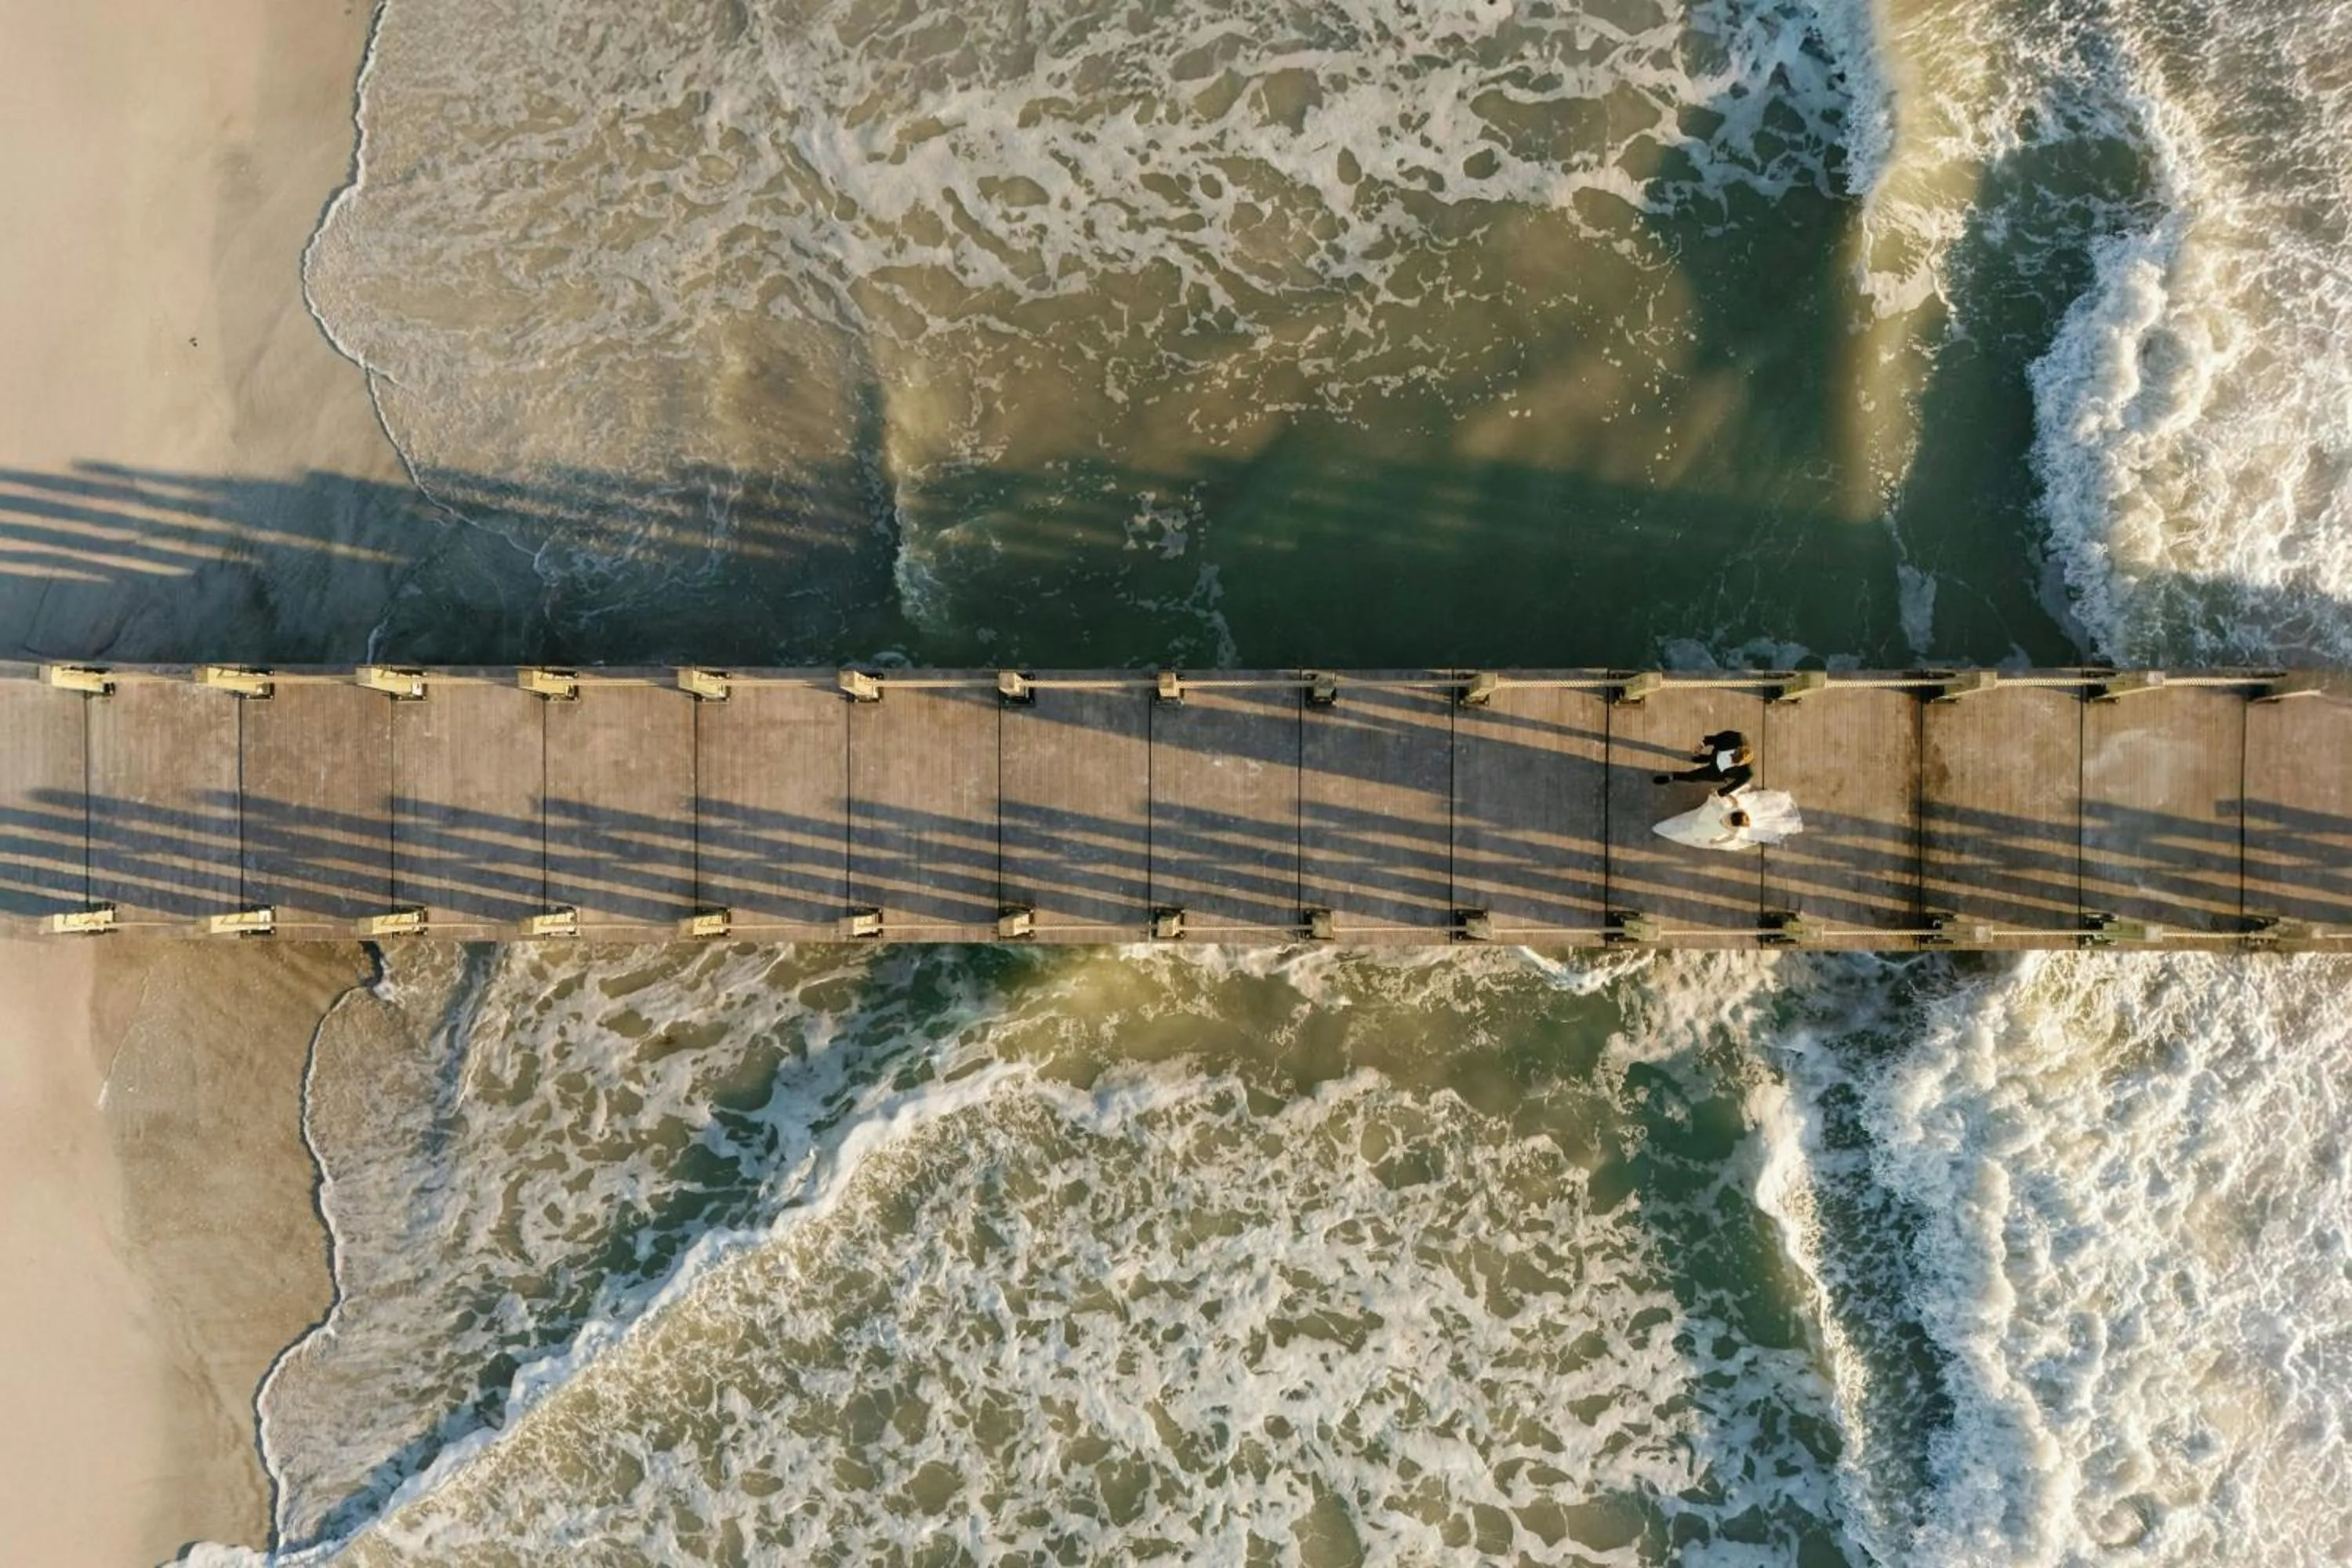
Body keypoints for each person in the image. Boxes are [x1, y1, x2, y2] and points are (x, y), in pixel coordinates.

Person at [1651, 788, 1804, 851]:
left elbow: (1732, 801)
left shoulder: (1733, 818)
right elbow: (1734, 803)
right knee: (1696, 823)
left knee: (1696, 824)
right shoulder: (1735, 821)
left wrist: (1716, 842)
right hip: (1711, 822)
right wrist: (1715, 842)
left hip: (1710, 821)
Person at [1653, 738, 1754, 795]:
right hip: (1715, 758)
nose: (1732, 759)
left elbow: (1734, 785)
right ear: (1736, 749)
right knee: (1710, 758)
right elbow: (1715, 739)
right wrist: (1703, 744)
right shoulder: (1734, 741)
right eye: (1733, 755)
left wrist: (1721, 792)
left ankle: (1673, 777)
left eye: (1735, 761)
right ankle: (1702, 759)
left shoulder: (1746, 773)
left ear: (1743, 763)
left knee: (1694, 777)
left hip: (1716, 773)